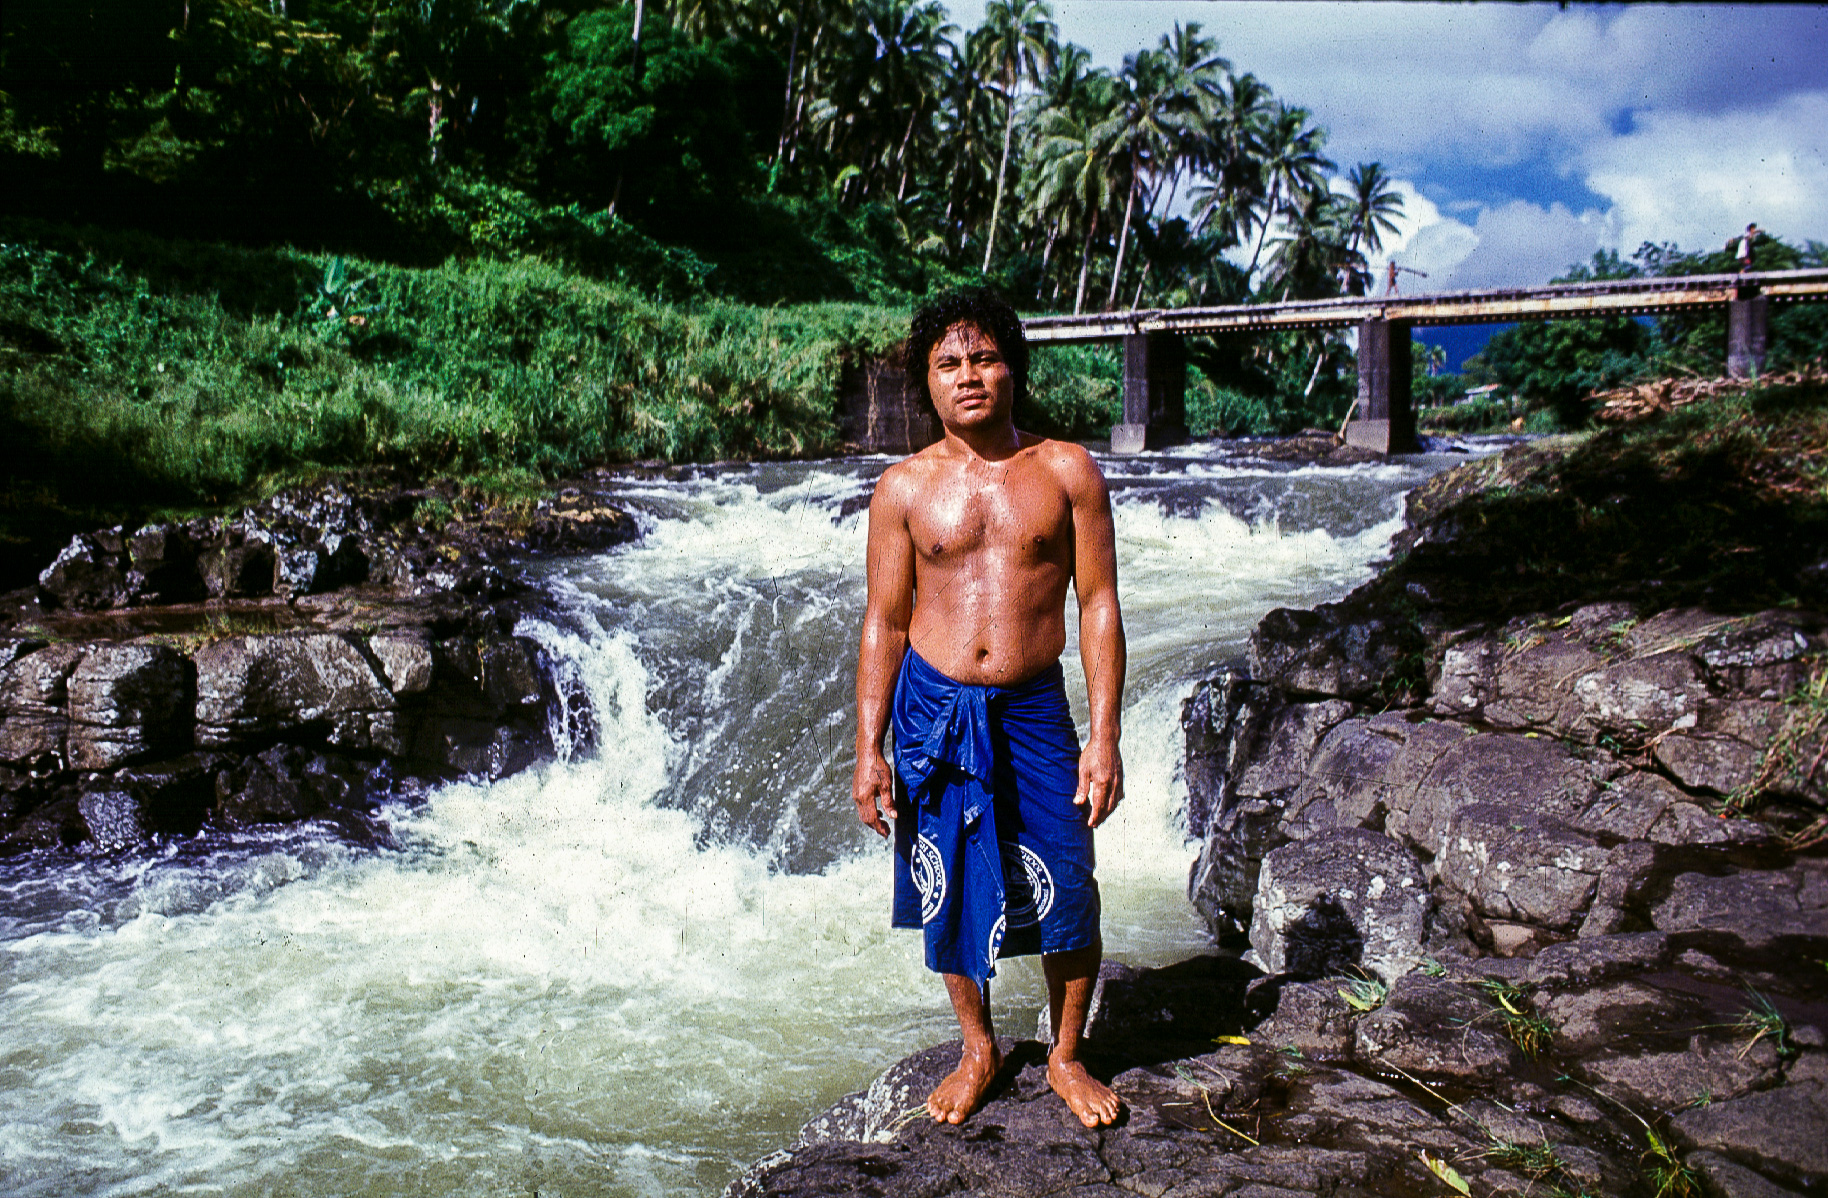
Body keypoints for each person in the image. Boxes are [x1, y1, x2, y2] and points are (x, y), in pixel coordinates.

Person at [852, 288, 1126, 1130]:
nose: (967, 376)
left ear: (1012, 367)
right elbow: (886, 622)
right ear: (925, 381)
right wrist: (868, 748)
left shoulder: (1066, 470)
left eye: (984, 358)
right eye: (948, 363)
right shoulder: (902, 489)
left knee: (1067, 881)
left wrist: (1106, 735)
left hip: (1035, 707)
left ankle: (1066, 1054)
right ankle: (979, 1048)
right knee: (950, 886)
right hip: (932, 709)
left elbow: (1100, 605)